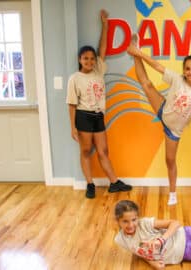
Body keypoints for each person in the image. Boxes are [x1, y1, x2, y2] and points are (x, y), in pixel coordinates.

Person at [127, 36, 191, 205]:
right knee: (146, 84)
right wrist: (140, 53)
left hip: (173, 131)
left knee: (170, 160)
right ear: (184, 70)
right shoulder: (177, 79)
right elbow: (157, 66)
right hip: (163, 109)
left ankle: (172, 193)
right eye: (187, 68)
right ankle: (134, 52)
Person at [66, 10, 132, 199]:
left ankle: (114, 182)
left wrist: (106, 25)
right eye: (85, 58)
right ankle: (89, 184)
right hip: (84, 116)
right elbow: (71, 104)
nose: (89, 61)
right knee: (86, 150)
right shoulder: (75, 79)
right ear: (80, 60)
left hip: (99, 116)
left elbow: (102, 48)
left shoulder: (98, 71)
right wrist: (73, 127)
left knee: (103, 151)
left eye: (91, 58)